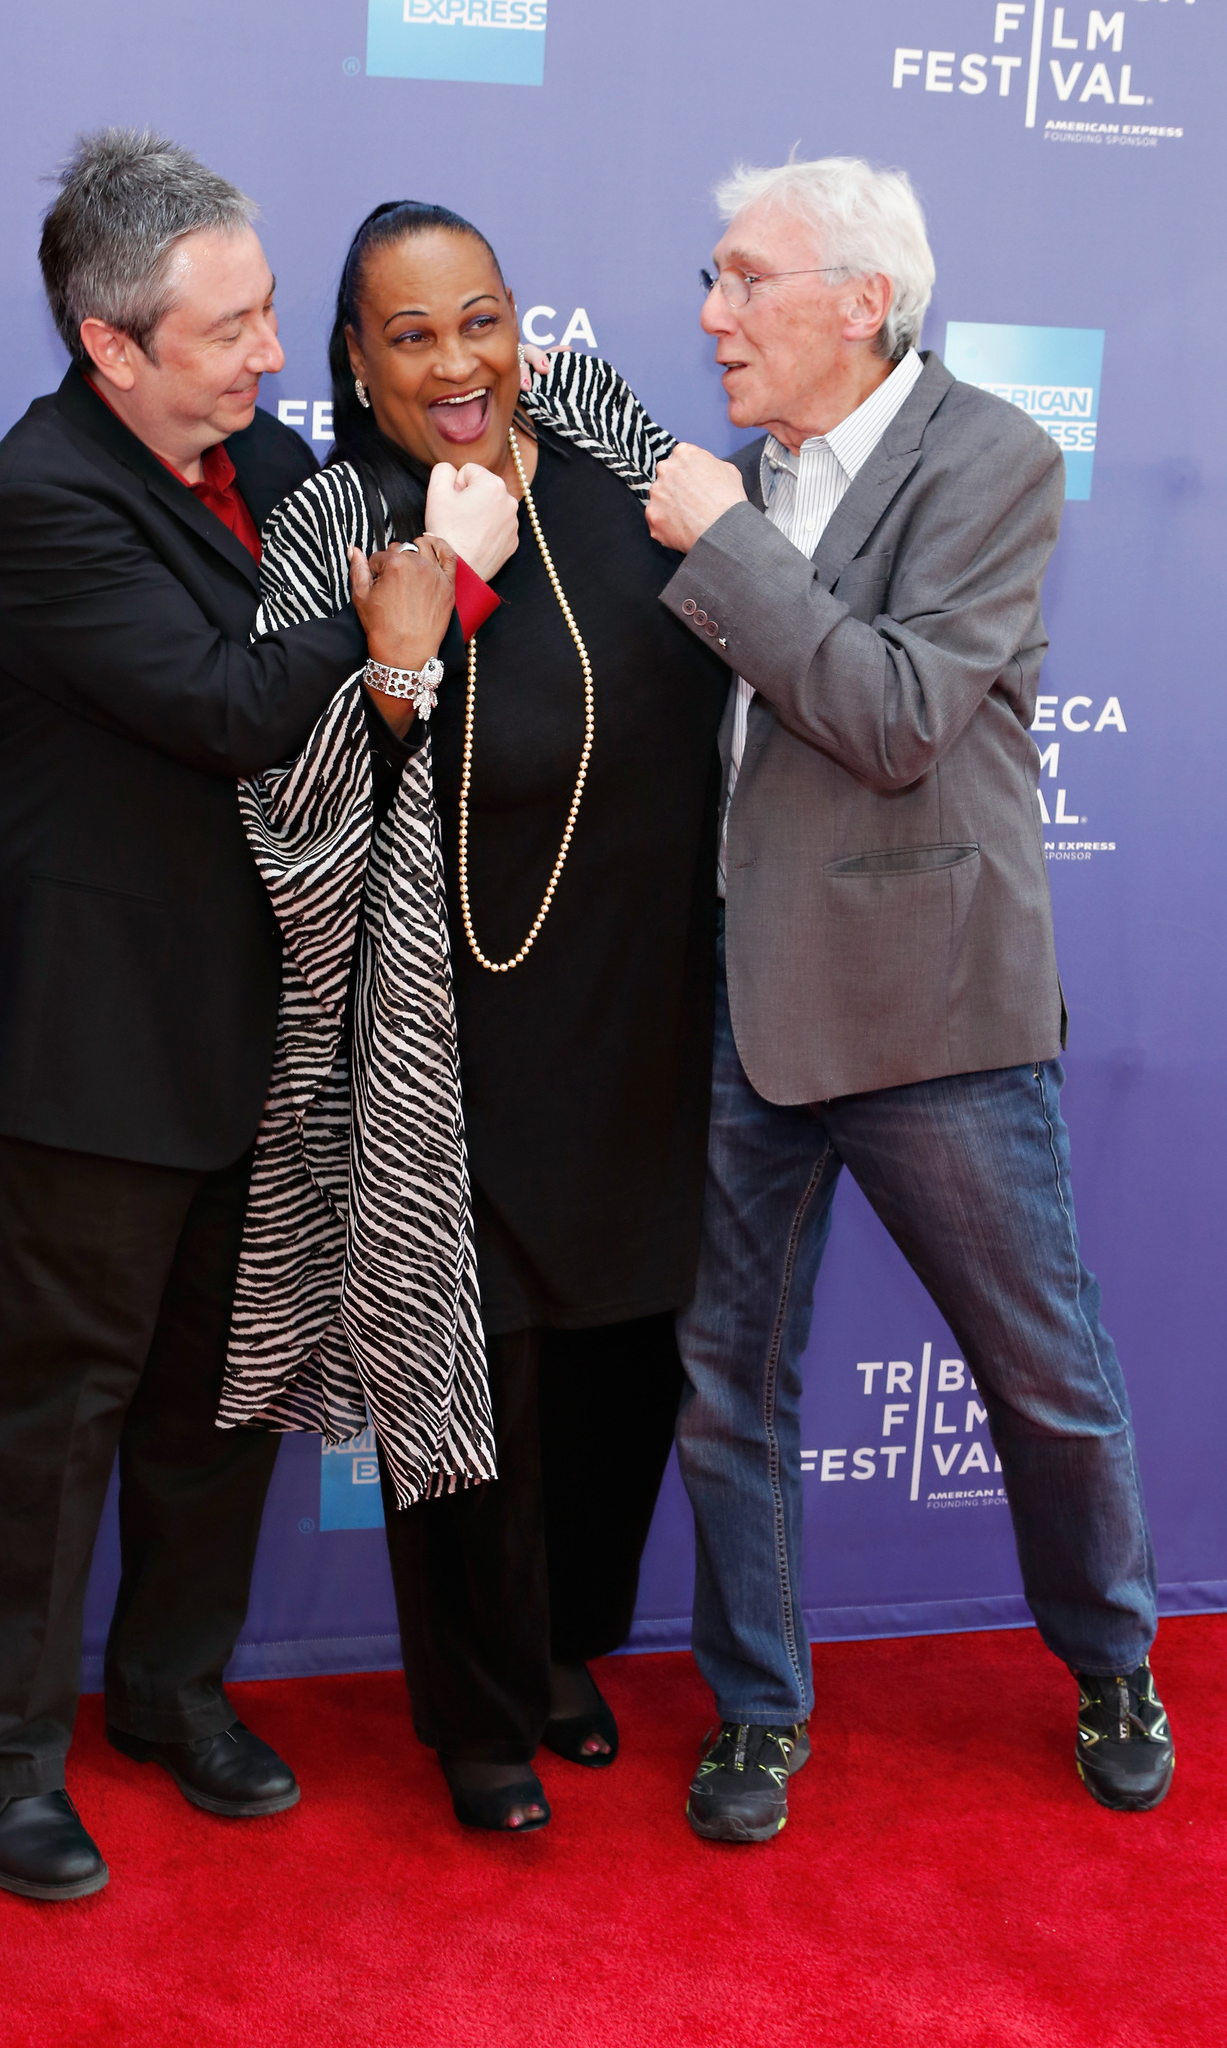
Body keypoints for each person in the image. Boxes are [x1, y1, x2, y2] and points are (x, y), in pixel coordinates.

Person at [0, 132, 458, 1901]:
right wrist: (390, 620)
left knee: (218, 1407)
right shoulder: (41, 503)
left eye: (260, 316)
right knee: (45, 1420)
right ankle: (2, 1757)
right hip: (96, 1049)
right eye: (224, 330)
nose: (263, 355)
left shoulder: (268, 453)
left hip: (267, 1035)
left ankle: (168, 1692)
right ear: (111, 347)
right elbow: (231, 706)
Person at [644, 155, 1172, 1843]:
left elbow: (886, 715)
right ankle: (754, 1714)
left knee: (1041, 1373)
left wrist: (724, 543)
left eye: (743, 279)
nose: (710, 313)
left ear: (860, 302)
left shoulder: (994, 458)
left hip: (933, 1010)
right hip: (743, 1004)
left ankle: (1111, 1662)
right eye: (712, 282)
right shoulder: (747, 475)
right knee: (729, 1381)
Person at [218, 201, 729, 1834]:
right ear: (357, 361)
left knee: (622, 1370)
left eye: (484, 319)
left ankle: (570, 1646)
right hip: (450, 1039)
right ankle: (483, 1718)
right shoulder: (330, 526)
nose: (460, 363)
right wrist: (454, 595)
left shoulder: (613, 464)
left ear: (527, 325)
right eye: (414, 334)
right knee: (476, 1381)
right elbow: (299, 803)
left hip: (643, 1010)